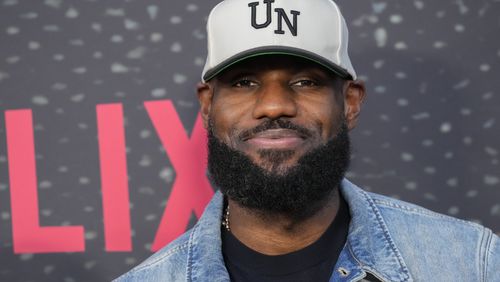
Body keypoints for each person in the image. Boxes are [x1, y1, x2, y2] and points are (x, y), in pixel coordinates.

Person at [115, 0, 500, 281]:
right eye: (244, 82)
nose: (274, 105)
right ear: (208, 104)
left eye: (306, 81)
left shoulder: (470, 263)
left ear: (349, 102)